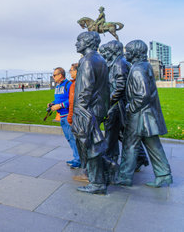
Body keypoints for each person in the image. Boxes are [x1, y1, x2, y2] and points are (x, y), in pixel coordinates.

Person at [117, 40, 172, 188]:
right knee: (153, 145)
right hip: (147, 115)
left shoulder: (137, 69)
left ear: (135, 53)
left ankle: (124, 177)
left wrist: (130, 107)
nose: (125, 53)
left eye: (127, 51)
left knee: (130, 145)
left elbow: (143, 94)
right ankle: (163, 174)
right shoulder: (144, 65)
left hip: (139, 115)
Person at [100, 41, 149, 175]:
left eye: (106, 51)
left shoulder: (119, 63)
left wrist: (108, 103)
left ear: (113, 51)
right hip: (117, 105)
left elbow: (120, 87)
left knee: (112, 135)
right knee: (122, 134)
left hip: (117, 106)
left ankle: (109, 161)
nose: (104, 54)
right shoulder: (116, 62)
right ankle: (140, 158)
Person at [72, 31, 111, 195]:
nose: (76, 44)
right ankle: (104, 173)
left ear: (87, 42)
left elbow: (85, 90)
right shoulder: (100, 59)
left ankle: (97, 183)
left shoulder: (87, 61)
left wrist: (78, 113)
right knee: (94, 143)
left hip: (87, 110)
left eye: (79, 40)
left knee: (91, 146)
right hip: (98, 108)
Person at [50, 67, 80, 169]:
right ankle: (76, 157)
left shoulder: (69, 85)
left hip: (68, 115)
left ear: (60, 75)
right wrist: (53, 103)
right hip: (61, 116)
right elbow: (58, 99)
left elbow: (72, 100)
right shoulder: (58, 86)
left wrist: (60, 105)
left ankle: (78, 160)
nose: (53, 77)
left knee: (73, 138)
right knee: (69, 138)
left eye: (54, 75)